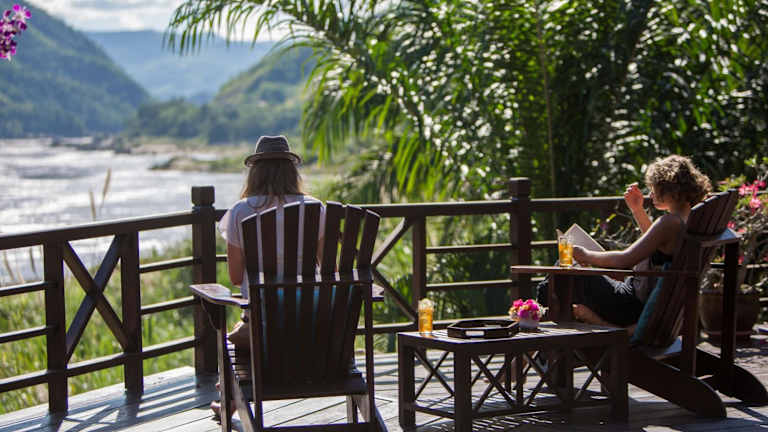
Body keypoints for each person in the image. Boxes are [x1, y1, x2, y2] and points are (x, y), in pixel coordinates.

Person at [211, 135, 325, 419]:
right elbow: (328, 271)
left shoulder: (240, 212)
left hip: (263, 327)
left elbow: (235, 277)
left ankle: (229, 399)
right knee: (249, 329)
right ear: (292, 171)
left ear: (255, 173)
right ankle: (229, 396)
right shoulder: (316, 208)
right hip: (312, 324)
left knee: (238, 331)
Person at [537, 154, 712, 329]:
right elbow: (657, 244)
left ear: (668, 189)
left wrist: (584, 254)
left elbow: (623, 260)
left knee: (560, 274)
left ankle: (536, 324)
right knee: (564, 273)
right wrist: (637, 210)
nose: (650, 194)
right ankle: (540, 321)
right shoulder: (687, 219)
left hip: (630, 305)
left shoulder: (670, 222)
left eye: (654, 187)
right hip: (639, 296)